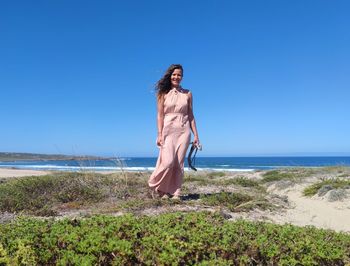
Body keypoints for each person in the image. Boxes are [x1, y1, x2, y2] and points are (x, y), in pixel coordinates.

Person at [148, 64, 200, 199]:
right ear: (170, 76)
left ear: (182, 77)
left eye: (179, 75)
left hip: (184, 130)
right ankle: (158, 186)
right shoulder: (162, 93)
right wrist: (159, 134)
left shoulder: (188, 93)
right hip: (168, 130)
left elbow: (191, 115)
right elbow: (159, 115)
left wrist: (196, 136)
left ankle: (174, 192)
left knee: (178, 163)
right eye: (174, 74)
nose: (176, 77)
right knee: (168, 162)